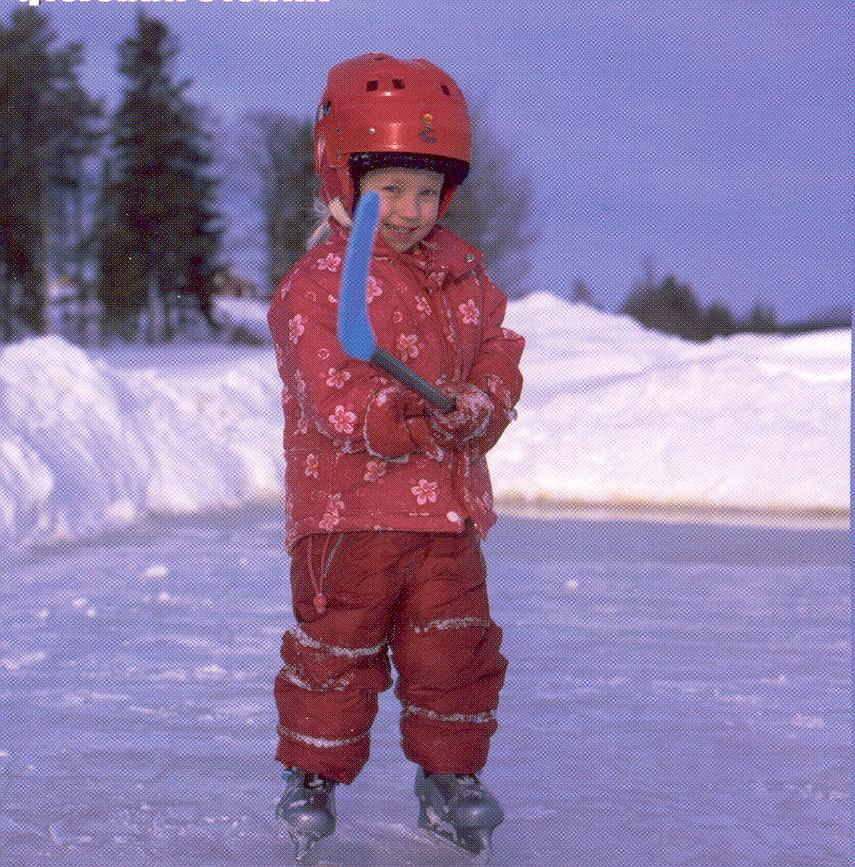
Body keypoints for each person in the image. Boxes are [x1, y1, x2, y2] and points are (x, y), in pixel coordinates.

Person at [267, 52, 525, 862]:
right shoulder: (317, 282)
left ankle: (448, 779)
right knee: (337, 651)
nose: (412, 209)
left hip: (445, 516)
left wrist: (483, 401)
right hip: (347, 515)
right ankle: (313, 774)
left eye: (426, 190)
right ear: (343, 180)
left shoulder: (462, 270)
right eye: (390, 190)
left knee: (454, 652)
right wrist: (405, 416)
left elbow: (496, 350)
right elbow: (330, 391)